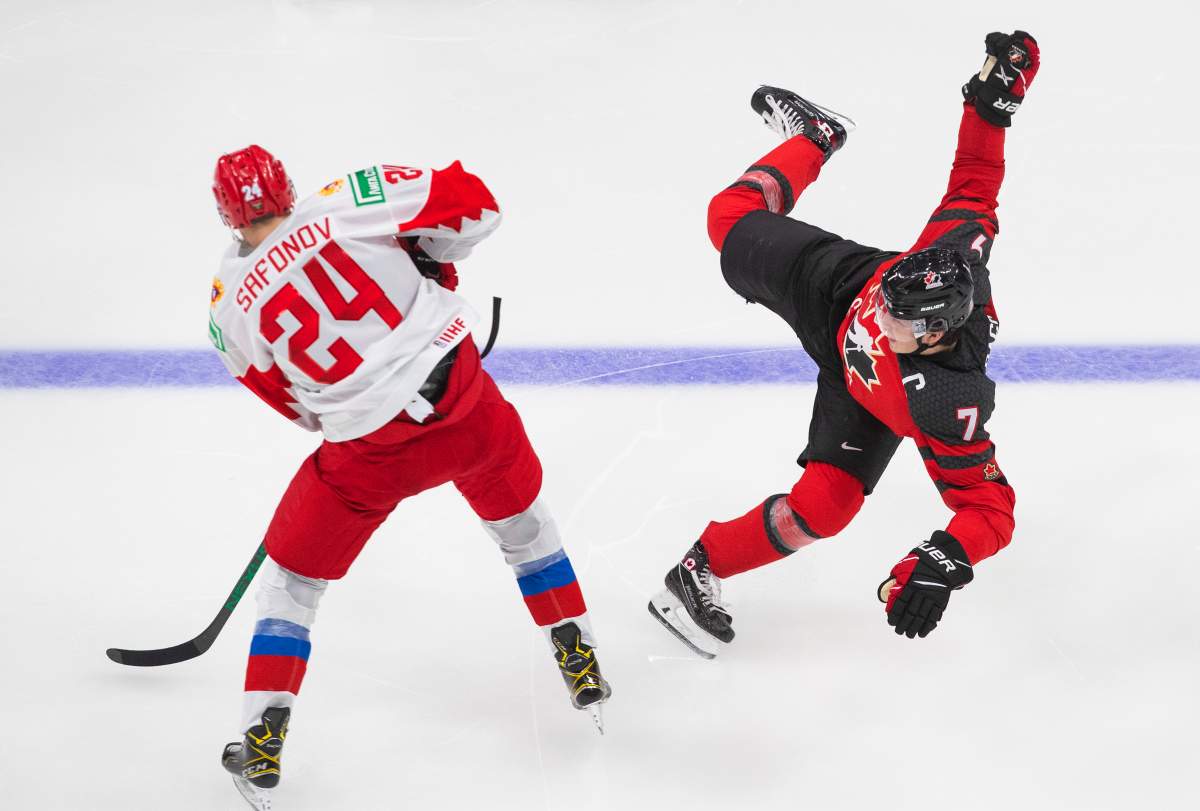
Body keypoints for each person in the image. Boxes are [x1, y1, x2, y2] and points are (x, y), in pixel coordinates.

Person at [208, 148, 611, 807]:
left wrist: (351, 401)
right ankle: (578, 651)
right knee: (524, 527)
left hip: (369, 452)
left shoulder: (226, 304)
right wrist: (429, 253)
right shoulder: (346, 201)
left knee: (294, 582)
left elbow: (291, 404)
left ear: (226, 215)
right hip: (468, 410)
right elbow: (477, 202)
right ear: (287, 184)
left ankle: (261, 737)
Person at [650, 31, 1038, 656]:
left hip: (862, 397)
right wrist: (991, 108)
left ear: (937, 334)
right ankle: (814, 139)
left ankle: (703, 564)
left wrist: (942, 560)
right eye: (890, 306)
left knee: (824, 509)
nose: (881, 322)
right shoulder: (949, 253)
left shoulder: (947, 403)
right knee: (725, 220)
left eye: (900, 324)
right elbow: (975, 180)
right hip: (838, 285)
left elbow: (991, 510)